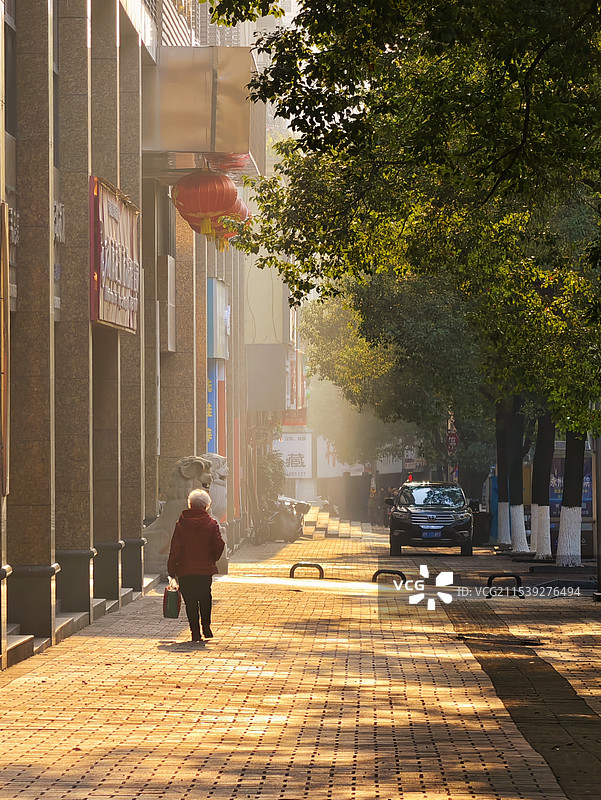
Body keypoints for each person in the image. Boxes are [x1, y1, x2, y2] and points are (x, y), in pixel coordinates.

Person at [167, 489, 225, 643]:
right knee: (205, 597)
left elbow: (175, 549)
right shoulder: (211, 524)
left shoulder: (181, 524)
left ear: (190, 505)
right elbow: (219, 544)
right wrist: (212, 559)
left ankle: (195, 632)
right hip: (205, 570)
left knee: (190, 602)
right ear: (206, 506)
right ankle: (206, 626)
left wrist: (172, 570)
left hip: (185, 570)